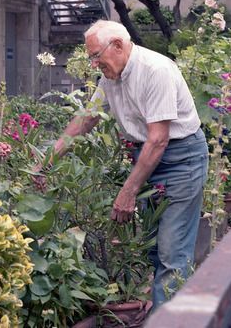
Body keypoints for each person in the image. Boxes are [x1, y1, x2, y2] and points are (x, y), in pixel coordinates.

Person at [48, 19, 208, 307]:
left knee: (173, 255)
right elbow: (87, 118)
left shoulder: (155, 70)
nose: (94, 64)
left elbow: (158, 139)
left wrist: (128, 191)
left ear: (118, 45)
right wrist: (45, 162)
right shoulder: (111, 77)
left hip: (181, 160)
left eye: (96, 56)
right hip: (147, 161)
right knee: (153, 251)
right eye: (91, 58)